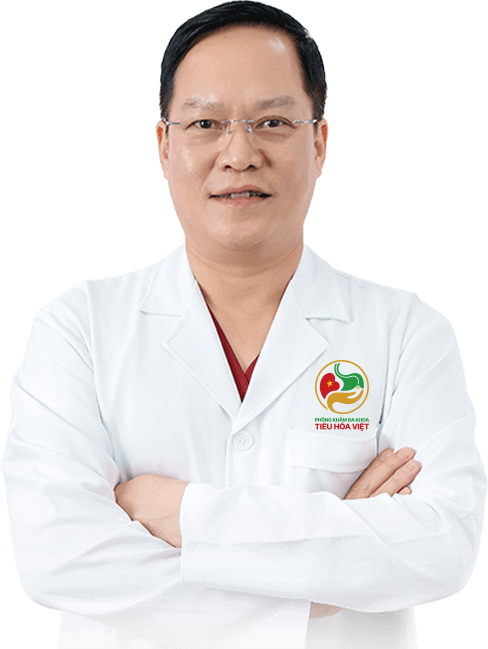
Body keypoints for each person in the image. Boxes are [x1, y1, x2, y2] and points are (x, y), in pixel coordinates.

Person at [2, 2, 486, 648]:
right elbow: (58, 555)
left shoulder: (407, 332)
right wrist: (315, 590)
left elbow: (442, 544)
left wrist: (182, 513)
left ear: (319, 142)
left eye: (272, 122)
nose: (239, 153)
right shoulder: (78, 329)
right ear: (164, 144)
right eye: (206, 123)